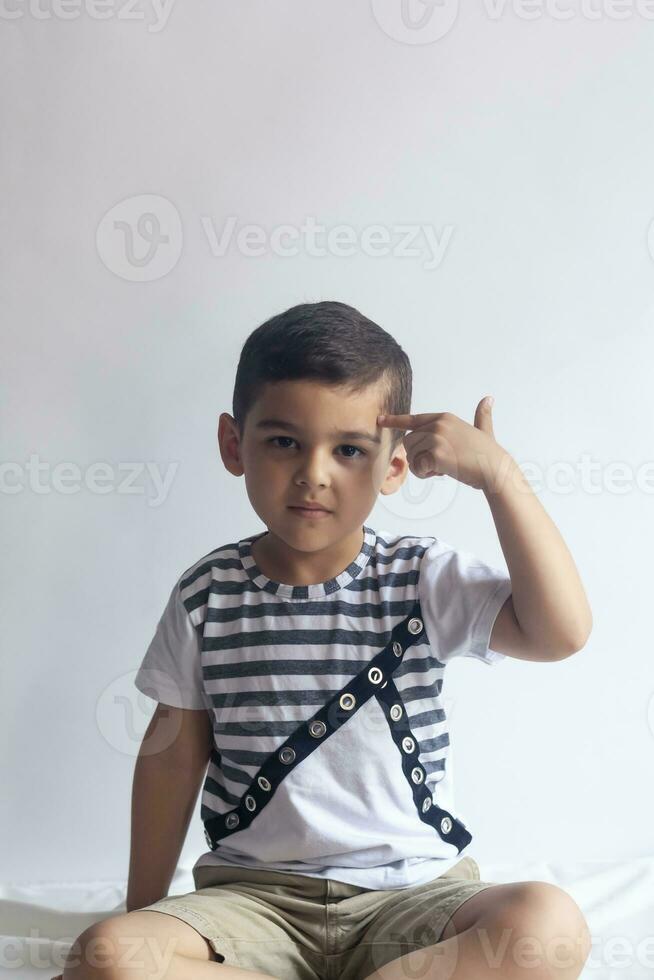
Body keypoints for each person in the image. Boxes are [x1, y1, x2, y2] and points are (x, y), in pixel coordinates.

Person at [61, 301, 593, 980]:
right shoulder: (208, 593)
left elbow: (562, 632)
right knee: (109, 955)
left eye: (348, 450)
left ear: (394, 466)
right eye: (284, 441)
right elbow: (171, 756)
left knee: (548, 927)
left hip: (415, 898)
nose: (315, 472)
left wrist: (499, 478)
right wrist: (143, 913)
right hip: (254, 904)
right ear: (234, 444)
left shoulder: (421, 577)